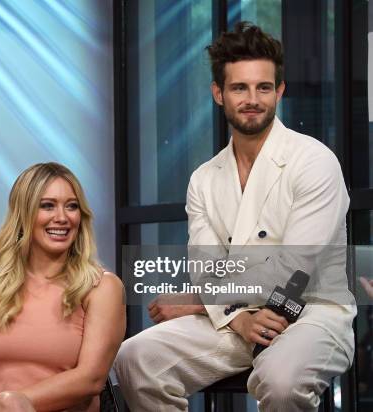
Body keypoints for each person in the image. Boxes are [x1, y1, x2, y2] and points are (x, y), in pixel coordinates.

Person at [114, 22, 356, 411]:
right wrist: (236, 318)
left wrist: (195, 302)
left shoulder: (314, 162)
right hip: (236, 318)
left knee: (281, 381)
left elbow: (294, 269)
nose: (252, 99)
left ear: (279, 91)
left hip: (312, 313)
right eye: (239, 88)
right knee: (137, 358)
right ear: (218, 94)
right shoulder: (204, 180)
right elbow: (206, 270)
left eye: (263, 87)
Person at [0, 162, 125, 412]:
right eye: (47, 205)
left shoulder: (101, 288)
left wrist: (7, 399)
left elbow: (90, 380)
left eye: (71, 206)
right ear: (23, 213)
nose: (62, 217)